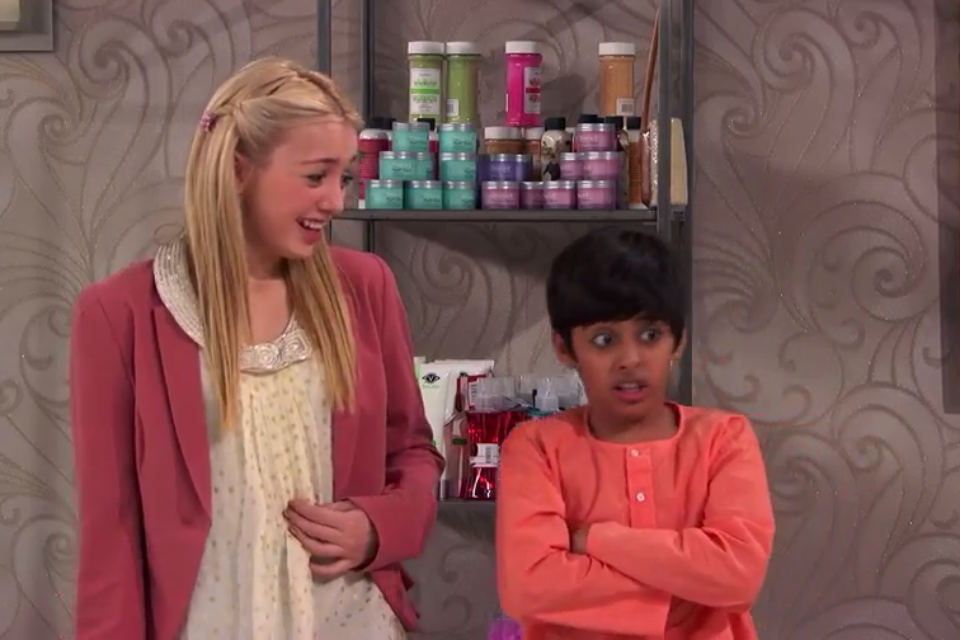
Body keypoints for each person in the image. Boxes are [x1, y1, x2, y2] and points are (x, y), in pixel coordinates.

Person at [69, 57, 443, 639]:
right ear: (240, 169)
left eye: (344, 178)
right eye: (315, 177)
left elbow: (414, 451)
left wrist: (379, 526)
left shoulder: (365, 287)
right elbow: (110, 529)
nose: (336, 201)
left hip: (350, 621)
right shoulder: (119, 314)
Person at [495, 227, 775, 639]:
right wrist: (687, 586)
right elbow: (529, 588)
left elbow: (739, 577)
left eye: (650, 335)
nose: (630, 359)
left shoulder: (724, 438)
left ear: (678, 340)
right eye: (604, 340)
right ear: (565, 348)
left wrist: (596, 540)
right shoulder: (535, 448)